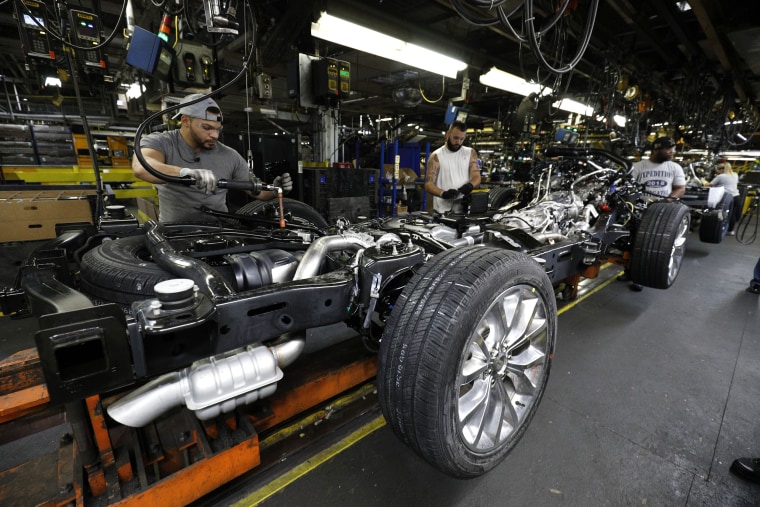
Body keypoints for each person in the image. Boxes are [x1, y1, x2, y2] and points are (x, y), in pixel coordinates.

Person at [132, 93, 292, 222]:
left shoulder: (230, 155)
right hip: (174, 235)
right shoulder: (162, 142)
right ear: (185, 121)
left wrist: (275, 189)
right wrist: (185, 173)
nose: (214, 135)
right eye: (207, 128)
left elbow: (256, 191)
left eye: (218, 129)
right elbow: (142, 167)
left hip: (219, 233)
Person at [619, 137, 687, 291]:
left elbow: (680, 188)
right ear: (656, 149)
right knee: (631, 243)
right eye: (668, 149)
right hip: (638, 210)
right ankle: (629, 271)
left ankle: (640, 277)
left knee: (649, 245)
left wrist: (667, 201)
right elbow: (627, 187)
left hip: (662, 211)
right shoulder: (638, 166)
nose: (672, 152)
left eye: (673, 149)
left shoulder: (675, 167)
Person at [424, 120, 481, 214]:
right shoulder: (436, 156)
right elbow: (428, 184)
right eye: (455, 138)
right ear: (447, 134)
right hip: (442, 211)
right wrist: (443, 193)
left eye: (462, 139)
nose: (458, 142)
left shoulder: (470, 153)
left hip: (464, 208)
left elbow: (476, 176)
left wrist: (470, 185)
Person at [706, 160, 741, 235]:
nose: (718, 172)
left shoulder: (720, 176)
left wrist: (703, 182)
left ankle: (717, 229)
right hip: (736, 197)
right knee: (732, 214)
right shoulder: (735, 175)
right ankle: (730, 230)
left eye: (719, 170)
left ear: (722, 170)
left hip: (726, 198)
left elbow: (710, 184)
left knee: (720, 213)